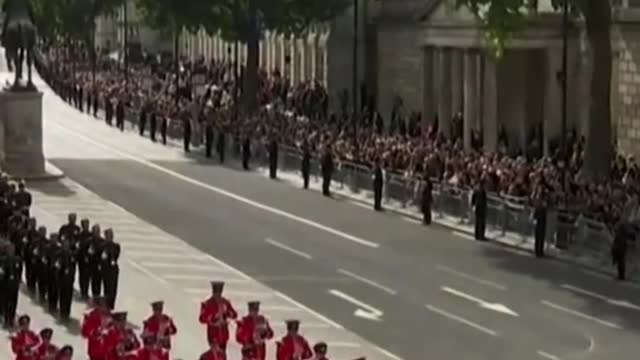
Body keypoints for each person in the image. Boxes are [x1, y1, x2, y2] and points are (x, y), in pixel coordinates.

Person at [199, 281, 238, 354]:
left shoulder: (225, 302)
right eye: (216, 293)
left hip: (223, 333)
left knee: (222, 354)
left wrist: (227, 315)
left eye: (219, 293)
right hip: (213, 333)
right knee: (215, 354)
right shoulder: (207, 303)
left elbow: (234, 314)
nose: (218, 296)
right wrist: (213, 319)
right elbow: (202, 318)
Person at [3, 243, 22, 328]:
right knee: (6, 302)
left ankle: (12, 318)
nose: (11, 251)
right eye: (9, 249)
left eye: (12, 249)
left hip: (14, 285)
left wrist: (18, 281)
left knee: (14, 302)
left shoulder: (18, 260)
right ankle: (6, 318)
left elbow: (20, 271)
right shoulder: (3, 260)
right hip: (5, 285)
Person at [100, 229, 120, 309]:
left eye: (111, 235)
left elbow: (116, 255)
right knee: (107, 290)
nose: (110, 237)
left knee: (113, 290)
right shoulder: (102, 246)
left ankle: (112, 306)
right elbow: (102, 258)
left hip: (113, 270)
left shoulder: (116, 246)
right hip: (106, 270)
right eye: (108, 235)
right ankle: (107, 306)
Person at [57, 238, 77, 320]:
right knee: (62, 297)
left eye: (67, 245)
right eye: (64, 245)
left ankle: (67, 313)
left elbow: (74, 265)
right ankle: (62, 313)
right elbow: (57, 267)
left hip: (70, 279)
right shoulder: (59, 254)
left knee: (69, 297)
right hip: (61, 279)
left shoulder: (72, 255)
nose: (66, 247)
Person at [76, 218, 92, 300]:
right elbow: (78, 246)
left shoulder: (91, 235)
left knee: (88, 276)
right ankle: (83, 291)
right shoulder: (79, 236)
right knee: (82, 276)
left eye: (87, 225)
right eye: (84, 225)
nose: (86, 226)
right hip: (81, 258)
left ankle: (86, 291)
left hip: (90, 260)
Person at [46, 233, 62, 314]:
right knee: (50, 289)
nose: (54, 240)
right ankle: (50, 305)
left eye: (56, 238)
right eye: (53, 238)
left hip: (57, 273)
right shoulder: (47, 248)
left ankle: (54, 306)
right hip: (49, 271)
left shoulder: (59, 249)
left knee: (56, 290)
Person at [89, 224, 104, 298]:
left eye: (97, 231)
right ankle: (95, 296)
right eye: (94, 232)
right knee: (93, 282)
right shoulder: (90, 241)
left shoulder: (103, 242)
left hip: (100, 265)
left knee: (99, 282)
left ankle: (98, 297)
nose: (96, 233)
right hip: (92, 264)